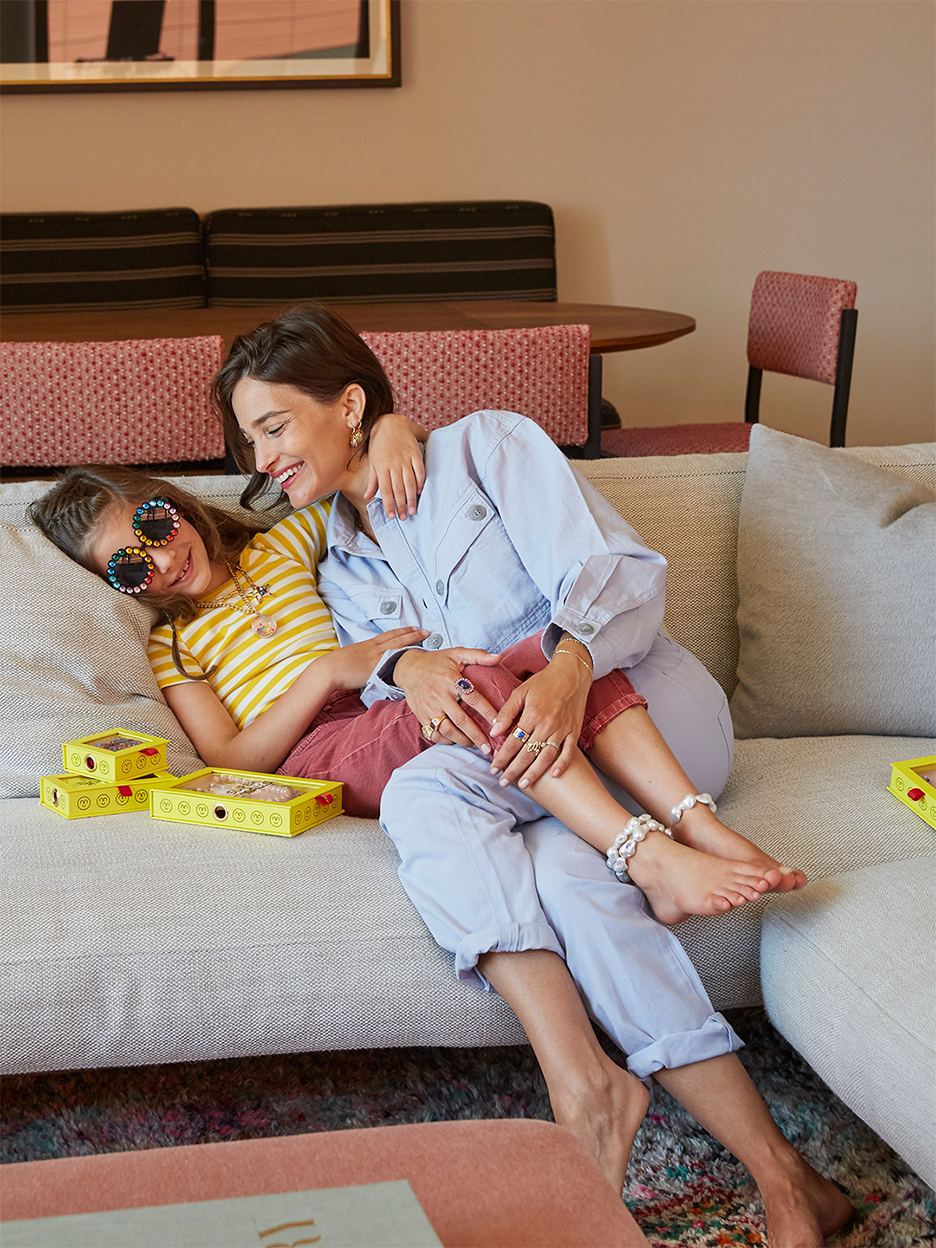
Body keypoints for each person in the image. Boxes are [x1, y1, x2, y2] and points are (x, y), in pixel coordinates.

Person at [206, 302, 853, 1247]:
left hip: (649, 720)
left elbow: (622, 575)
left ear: (349, 403)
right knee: (565, 883)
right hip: (529, 775)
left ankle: (587, 1070)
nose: (261, 460)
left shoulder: (485, 449)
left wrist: (568, 667)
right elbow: (413, 689)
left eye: (272, 428)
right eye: (248, 441)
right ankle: (784, 1176)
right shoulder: (338, 560)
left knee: (427, 791)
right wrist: (403, 669)